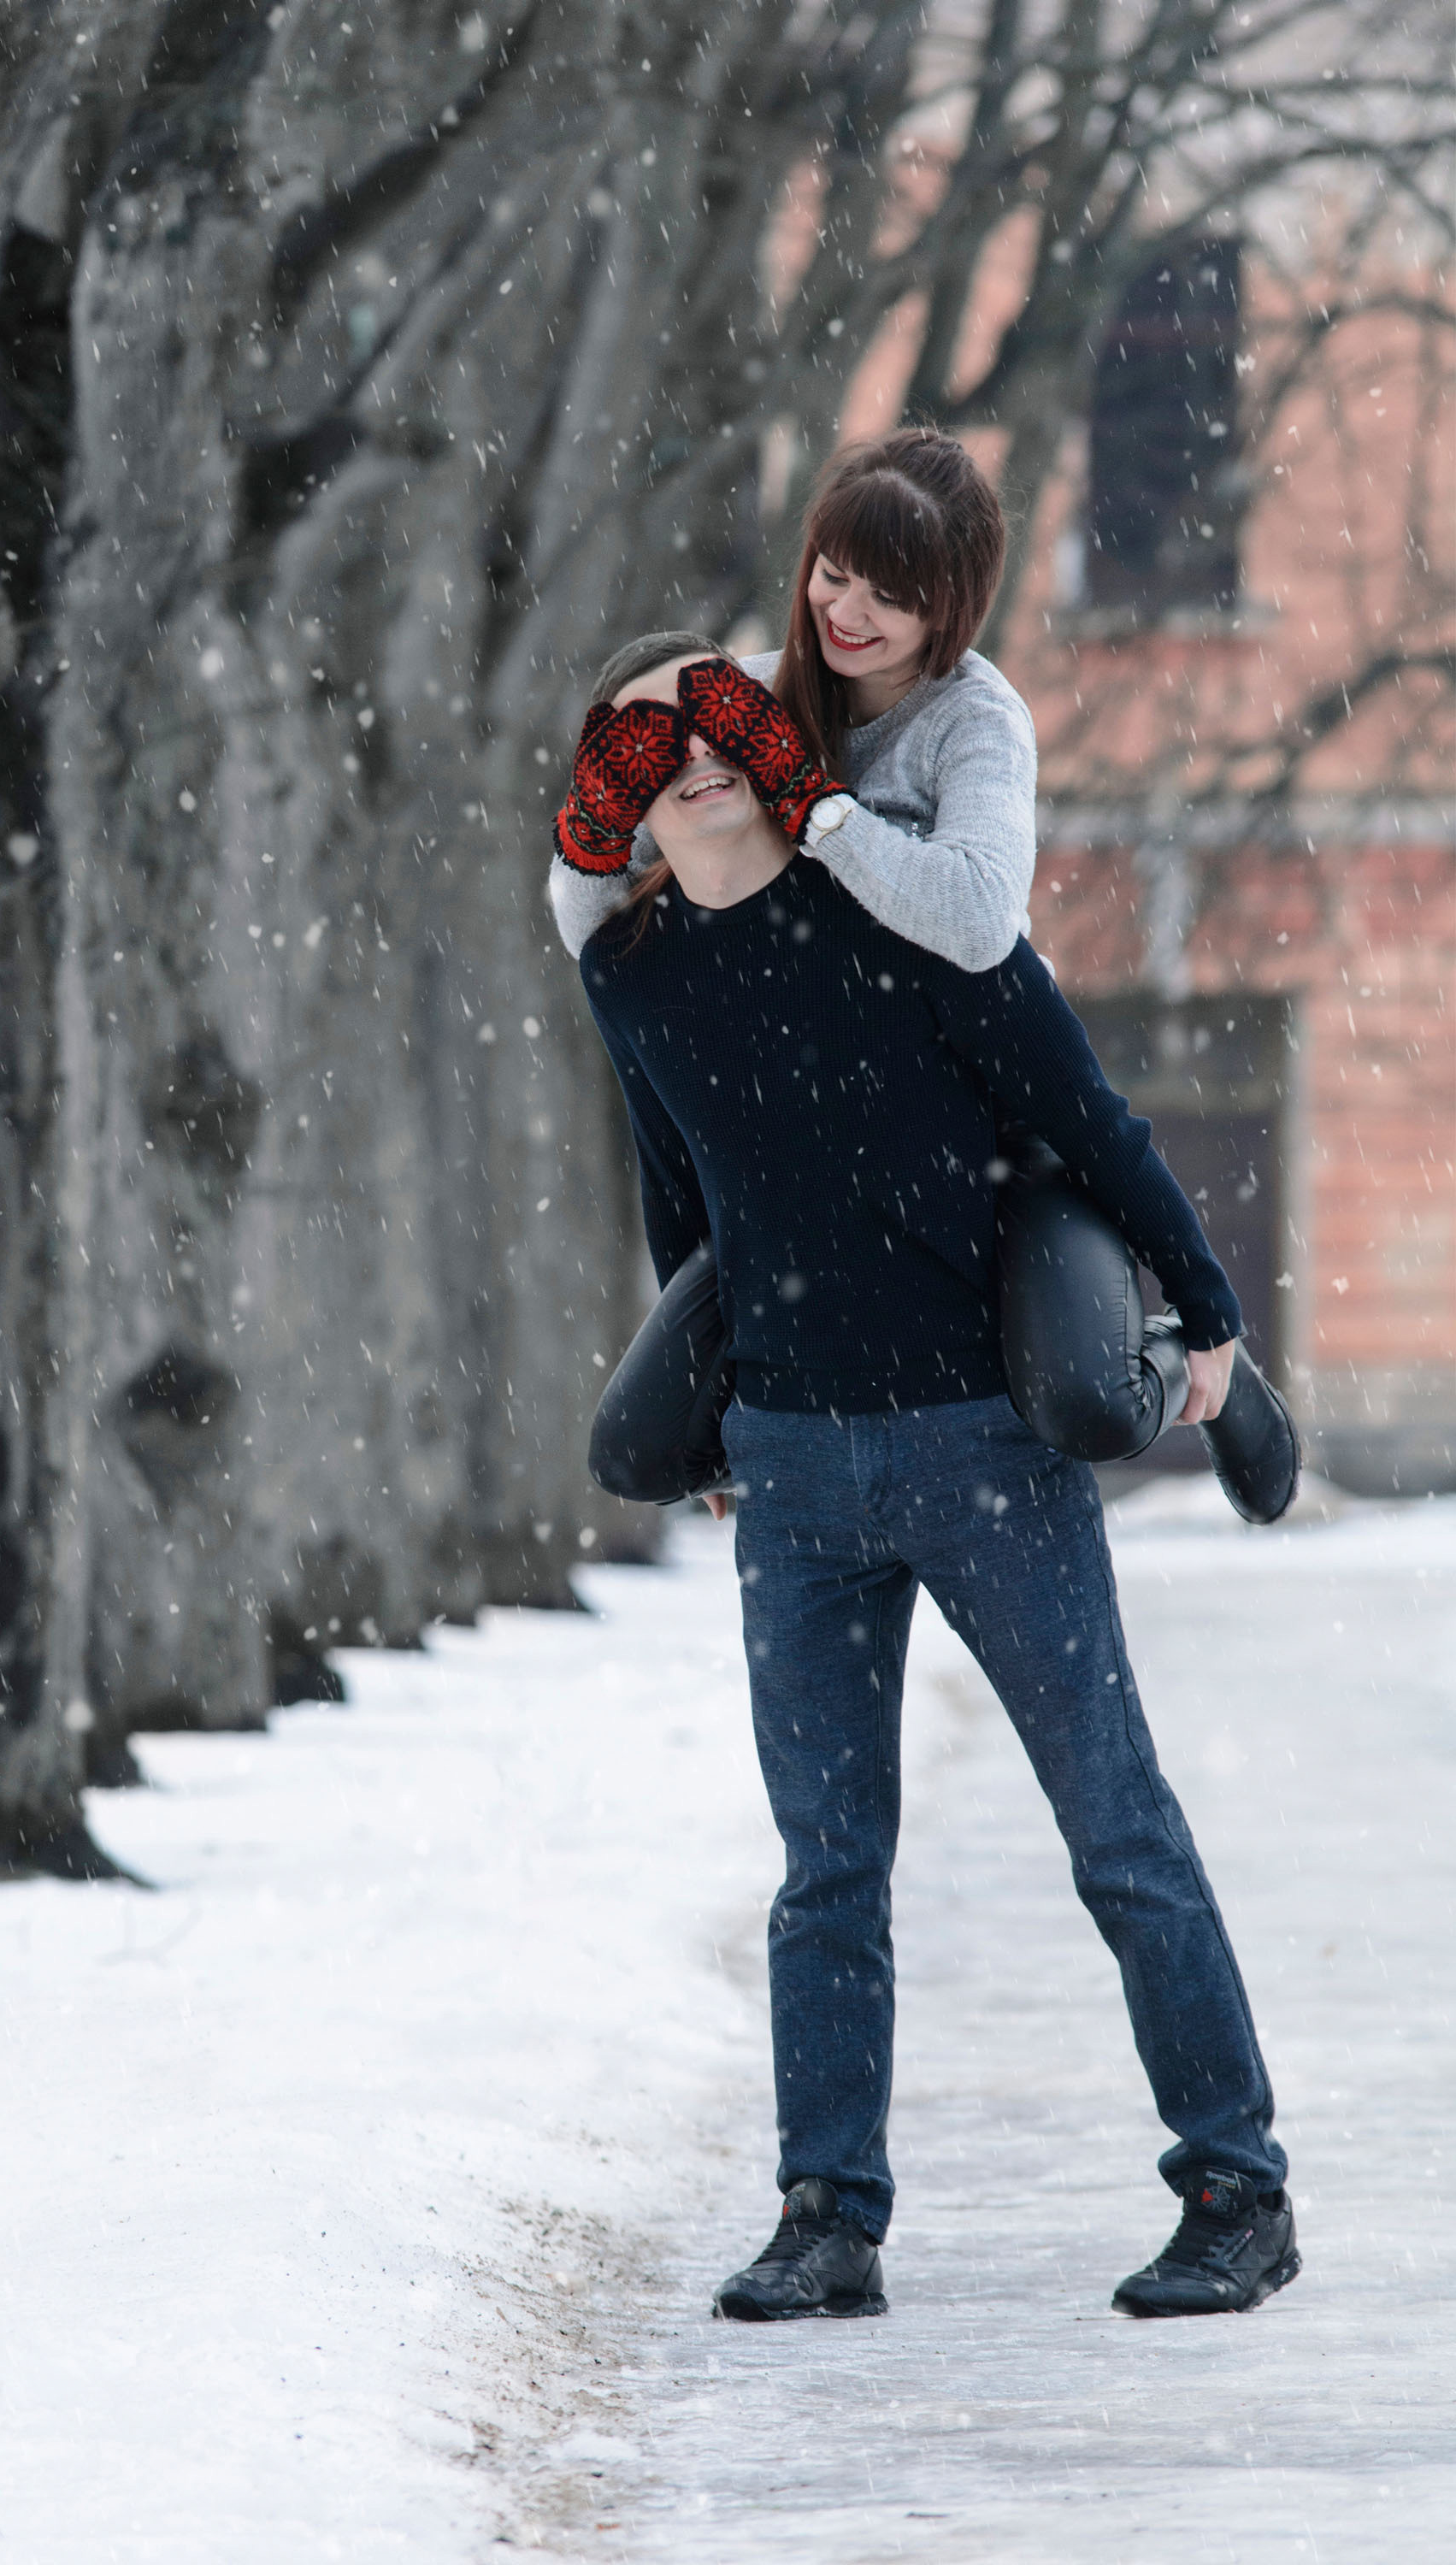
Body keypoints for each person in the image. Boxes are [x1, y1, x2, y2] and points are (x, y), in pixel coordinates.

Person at [559, 637, 1300, 2324]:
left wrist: (1206, 1314)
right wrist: (712, 1418)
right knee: (824, 1864)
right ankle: (828, 2214)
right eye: (643, 740)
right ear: (610, 788)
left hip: (986, 1449)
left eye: (714, 717)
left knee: (1115, 1826)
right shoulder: (635, 977)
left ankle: (1237, 2189)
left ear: (769, 739)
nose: (689, 756)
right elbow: (682, 1200)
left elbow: (1085, 1113)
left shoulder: (907, 913)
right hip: (794, 1472)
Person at [549, 426, 1040, 979]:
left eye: (887, 597)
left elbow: (982, 924)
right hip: (792, 1015)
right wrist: (598, 823)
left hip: (962, 1024)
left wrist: (812, 806)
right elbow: (590, 935)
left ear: (952, 609)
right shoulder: (740, 696)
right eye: (833, 575)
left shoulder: (978, 720)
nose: (845, 614)